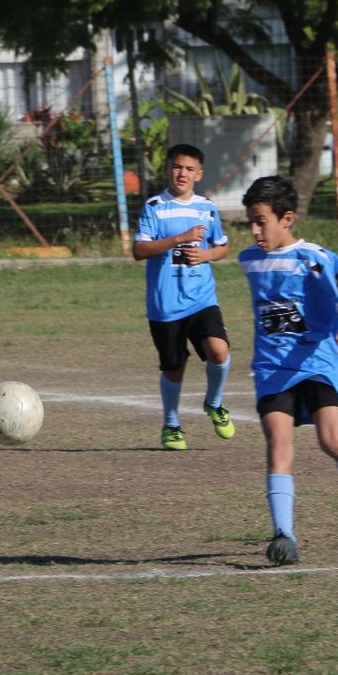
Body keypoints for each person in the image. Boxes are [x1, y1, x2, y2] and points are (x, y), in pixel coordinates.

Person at [238, 175, 338, 567]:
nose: (254, 230)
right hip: (272, 368)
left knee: (331, 440)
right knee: (279, 446)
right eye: (250, 220)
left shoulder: (316, 259)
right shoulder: (249, 260)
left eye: (261, 221)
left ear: (287, 219)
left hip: (316, 362)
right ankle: (284, 535)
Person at [132, 144, 235, 450]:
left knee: (219, 350)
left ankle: (214, 403)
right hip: (165, 305)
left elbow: (223, 246)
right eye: (177, 167)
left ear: (199, 175)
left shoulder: (207, 208)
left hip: (202, 299)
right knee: (174, 367)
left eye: (189, 169)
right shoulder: (154, 207)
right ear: (168, 169)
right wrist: (179, 238)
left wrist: (206, 254)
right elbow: (139, 251)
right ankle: (172, 424)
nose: (182, 174)